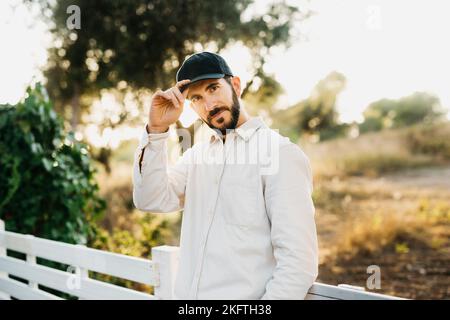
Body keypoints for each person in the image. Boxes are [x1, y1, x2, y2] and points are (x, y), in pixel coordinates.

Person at [133, 52, 318, 299]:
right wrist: (156, 130)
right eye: (196, 98)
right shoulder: (197, 157)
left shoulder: (280, 154)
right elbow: (149, 199)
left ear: (236, 85)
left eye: (213, 88)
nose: (209, 105)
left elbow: (298, 263)